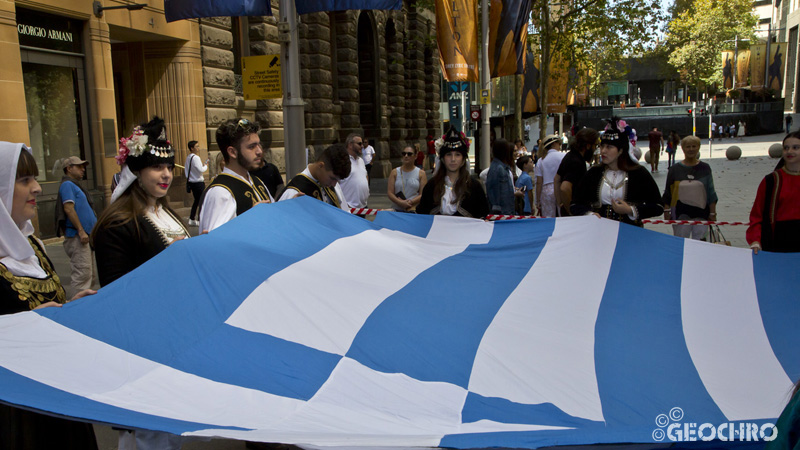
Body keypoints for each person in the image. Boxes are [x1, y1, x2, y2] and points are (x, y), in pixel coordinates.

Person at [0, 142, 98, 450]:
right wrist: (27, 327)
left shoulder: (34, 248)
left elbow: (42, 310)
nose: (37, 188)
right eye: (24, 180)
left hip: (58, 390)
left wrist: (69, 309)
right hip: (16, 412)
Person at [93, 117, 190, 287]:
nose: (167, 174)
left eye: (170, 167)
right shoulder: (116, 224)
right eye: (157, 167)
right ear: (136, 173)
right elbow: (114, 287)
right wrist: (165, 259)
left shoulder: (166, 212)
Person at [571, 121, 663, 225]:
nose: (603, 151)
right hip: (599, 231)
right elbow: (575, 204)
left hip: (629, 232)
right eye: (602, 146)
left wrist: (630, 210)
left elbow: (658, 206)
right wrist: (589, 214)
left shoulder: (638, 173)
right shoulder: (594, 173)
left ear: (620, 150)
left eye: (609, 147)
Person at [199, 118, 273, 233]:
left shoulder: (257, 181)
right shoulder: (221, 192)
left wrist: (288, 204)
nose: (259, 151)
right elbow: (216, 244)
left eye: (259, 144)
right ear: (232, 152)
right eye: (251, 146)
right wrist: (248, 220)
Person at [747, 131, 800, 253]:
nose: (789, 151)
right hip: (777, 243)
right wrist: (755, 240)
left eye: (795, 147)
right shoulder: (772, 181)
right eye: (786, 148)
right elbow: (756, 215)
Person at [417, 127, 489, 218]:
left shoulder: (474, 186)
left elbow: (483, 215)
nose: (453, 159)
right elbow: (422, 215)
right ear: (443, 159)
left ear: (463, 160)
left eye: (457, 155)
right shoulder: (432, 185)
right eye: (449, 155)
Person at [662, 135, 718, 240]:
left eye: (694, 146)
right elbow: (668, 191)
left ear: (699, 147)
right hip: (680, 213)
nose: (691, 149)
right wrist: (666, 210)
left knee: (701, 243)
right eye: (688, 147)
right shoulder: (674, 169)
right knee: (680, 241)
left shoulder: (705, 168)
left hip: (701, 213)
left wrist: (712, 213)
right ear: (682, 148)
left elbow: (710, 191)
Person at [56, 155, 97, 294]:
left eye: (83, 167)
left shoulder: (74, 185)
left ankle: (87, 306)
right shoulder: (67, 185)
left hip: (84, 236)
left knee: (89, 276)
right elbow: (68, 208)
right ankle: (79, 308)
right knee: (82, 276)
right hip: (78, 237)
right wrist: (80, 230)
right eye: (79, 167)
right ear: (69, 168)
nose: (83, 169)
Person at [280, 143, 351, 211]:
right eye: (332, 178)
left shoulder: (331, 185)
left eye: (337, 180)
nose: (334, 184)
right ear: (321, 165)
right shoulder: (294, 192)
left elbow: (345, 214)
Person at [555, 127, 599, 216]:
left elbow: (556, 179)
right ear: (588, 145)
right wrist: (570, 210)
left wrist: (560, 202)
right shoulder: (577, 162)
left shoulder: (569, 155)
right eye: (595, 145)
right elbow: (565, 188)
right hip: (575, 210)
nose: (595, 149)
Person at [387, 145, 427, 212]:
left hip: (413, 209)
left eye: (409, 154)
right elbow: (390, 193)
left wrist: (410, 202)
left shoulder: (421, 173)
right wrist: (400, 203)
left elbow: (422, 194)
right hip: (397, 209)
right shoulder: (394, 172)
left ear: (415, 156)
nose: (406, 156)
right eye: (404, 154)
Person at [534, 134, 565, 217]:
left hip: (546, 189)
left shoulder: (541, 160)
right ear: (554, 144)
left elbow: (539, 182)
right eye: (559, 144)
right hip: (560, 187)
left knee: (548, 217)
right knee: (562, 215)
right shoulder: (563, 157)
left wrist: (537, 200)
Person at [486, 139, 520, 215]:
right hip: (503, 212)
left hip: (507, 210)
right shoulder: (498, 169)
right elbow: (493, 190)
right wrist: (496, 210)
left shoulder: (503, 167)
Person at [338, 133, 370, 208]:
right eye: (359, 144)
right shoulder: (342, 161)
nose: (362, 146)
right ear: (350, 145)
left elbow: (365, 176)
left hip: (363, 206)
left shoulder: (361, 161)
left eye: (362, 143)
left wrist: (367, 191)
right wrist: (343, 204)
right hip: (349, 208)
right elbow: (335, 184)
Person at [184, 140, 208, 226]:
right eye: (196, 146)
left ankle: (192, 218)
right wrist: (205, 166)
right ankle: (200, 219)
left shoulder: (188, 158)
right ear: (192, 148)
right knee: (201, 201)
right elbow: (201, 170)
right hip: (198, 183)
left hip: (192, 182)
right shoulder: (196, 158)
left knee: (197, 201)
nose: (198, 148)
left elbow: (186, 171)